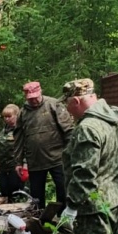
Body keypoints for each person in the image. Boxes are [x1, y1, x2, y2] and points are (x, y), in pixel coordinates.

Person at [60, 77, 118, 234]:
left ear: (76, 101)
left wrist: (72, 206)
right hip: (114, 198)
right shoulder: (112, 119)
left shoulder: (88, 127)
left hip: (93, 205)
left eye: (68, 105)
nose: (67, 111)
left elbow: (85, 174)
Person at [14, 80, 73, 208]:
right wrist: (18, 162)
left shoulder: (54, 105)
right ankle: (39, 217)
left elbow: (68, 131)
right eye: (30, 98)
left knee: (63, 189)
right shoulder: (23, 113)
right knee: (36, 195)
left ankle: (62, 216)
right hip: (35, 160)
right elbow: (18, 139)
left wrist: (69, 153)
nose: (34, 100)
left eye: (35, 97)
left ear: (40, 92)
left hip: (57, 158)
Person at [0, 104, 24, 201]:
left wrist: (24, 163)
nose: (7, 119)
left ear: (16, 115)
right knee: (4, 191)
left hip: (15, 166)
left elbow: (25, 147)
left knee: (15, 192)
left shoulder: (21, 129)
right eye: (5, 117)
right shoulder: (4, 130)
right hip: (3, 166)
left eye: (9, 116)